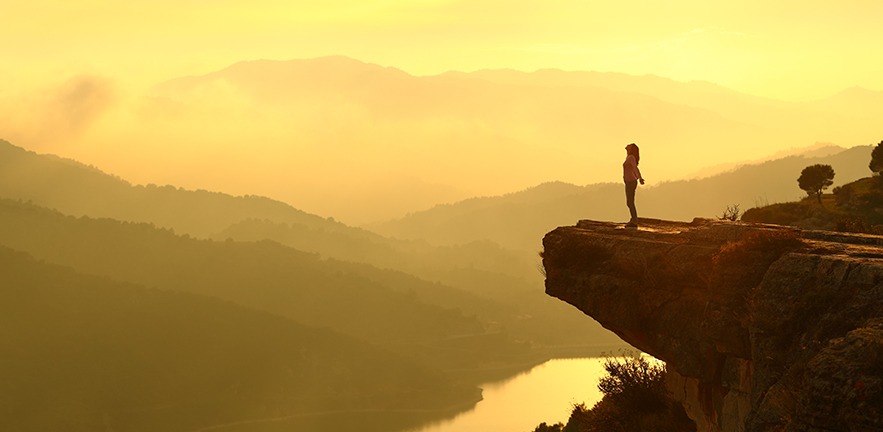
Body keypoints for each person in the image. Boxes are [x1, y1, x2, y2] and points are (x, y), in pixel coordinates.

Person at [623, 143, 645, 227]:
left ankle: (634, 220)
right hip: (629, 182)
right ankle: (633, 219)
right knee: (629, 202)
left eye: (629, 145)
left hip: (631, 182)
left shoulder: (631, 157)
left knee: (630, 202)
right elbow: (632, 169)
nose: (627, 145)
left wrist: (639, 178)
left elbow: (635, 168)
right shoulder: (629, 157)